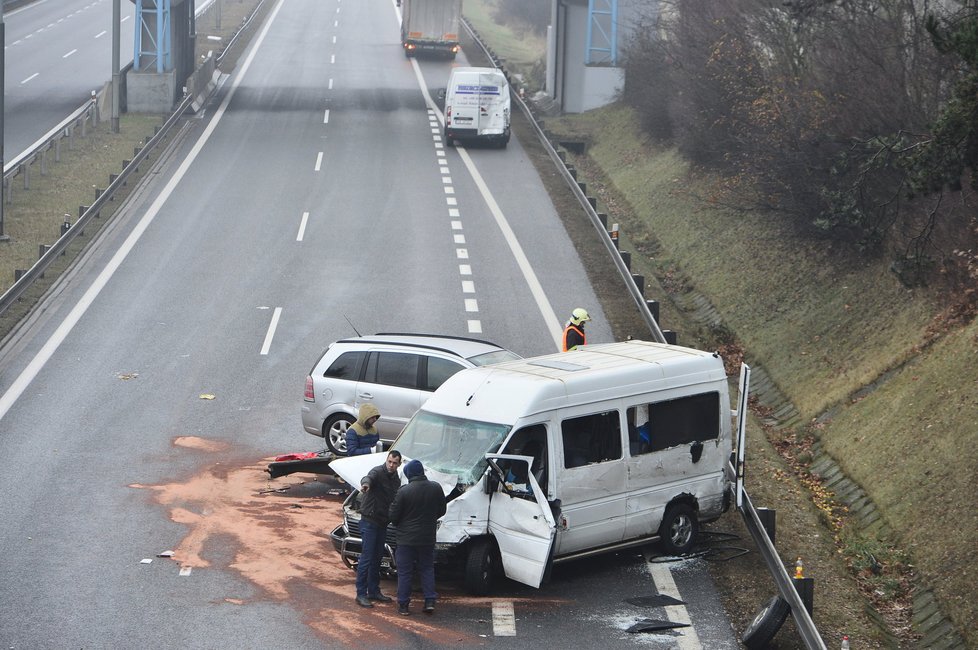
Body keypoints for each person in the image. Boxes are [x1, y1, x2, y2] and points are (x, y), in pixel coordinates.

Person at [388, 459, 447, 616]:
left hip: (406, 539)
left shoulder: (404, 491)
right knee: (427, 568)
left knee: (405, 572)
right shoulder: (436, 488)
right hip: (427, 537)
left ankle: (403, 605)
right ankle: (429, 601)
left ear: (409, 474)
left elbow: (393, 516)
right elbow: (442, 510)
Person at [354, 449, 402, 608]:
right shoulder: (378, 472)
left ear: (399, 464)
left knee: (377, 558)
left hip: (382, 522)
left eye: (395, 463)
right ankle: (361, 594)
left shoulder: (396, 479)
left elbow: (395, 499)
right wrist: (365, 485)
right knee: (367, 558)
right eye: (390, 462)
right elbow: (369, 478)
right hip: (369, 521)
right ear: (386, 460)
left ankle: (374, 591)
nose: (391, 465)